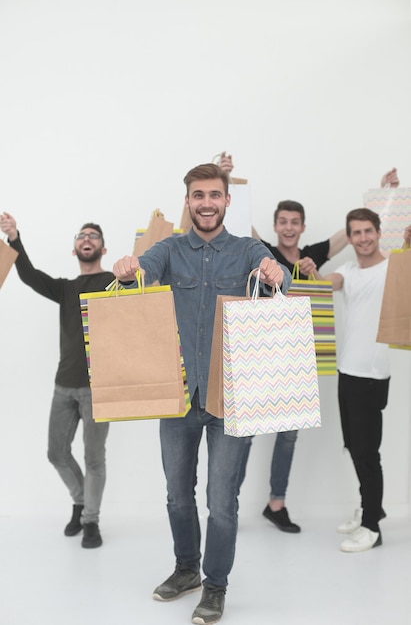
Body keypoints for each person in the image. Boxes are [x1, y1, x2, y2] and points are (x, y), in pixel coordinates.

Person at [112, 163, 292, 625]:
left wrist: (275, 273)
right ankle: (186, 569)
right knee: (176, 494)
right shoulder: (169, 248)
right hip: (177, 396)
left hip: (231, 397)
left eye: (215, 194)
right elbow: (141, 275)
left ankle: (215, 586)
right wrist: (129, 270)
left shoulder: (249, 249)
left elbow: (281, 280)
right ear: (187, 201)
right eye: (198, 195)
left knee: (222, 500)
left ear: (227, 201)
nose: (207, 203)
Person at [238, 167, 401, 534]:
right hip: (260, 352)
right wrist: (226, 179)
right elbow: (241, 224)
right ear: (276, 226)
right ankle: (228, 506)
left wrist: (383, 194)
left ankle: (275, 504)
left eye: (296, 222)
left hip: (298, 356)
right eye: (283, 222)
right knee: (245, 433)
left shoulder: (314, 256)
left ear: (303, 226)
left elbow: (354, 232)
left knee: (290, 434)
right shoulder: (262, 251)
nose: (290, 227)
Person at [0, 212, 114, 549]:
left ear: (103, 249)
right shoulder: (65, 288)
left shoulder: (113, 283)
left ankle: (91, 521)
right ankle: (80, 502)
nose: (87, 239)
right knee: (56, 453)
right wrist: (15, 237)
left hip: (99, 387)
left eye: (93, 235)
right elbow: (31, 276)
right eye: (82, 235)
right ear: (75, 249)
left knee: (94, 458)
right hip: (64, 385)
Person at [321, 208, 391, 552]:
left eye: (368, 231)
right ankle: (369, 508)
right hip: (346, 372)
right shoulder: (347, 271)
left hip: (371, 377)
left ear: (379, 232)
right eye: (356, 233)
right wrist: (309, 272)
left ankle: (372, 528)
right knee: (354, 446)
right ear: (349, 239)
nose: (363, 238)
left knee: (367, 453)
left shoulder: (392, 268)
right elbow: (325, 284)